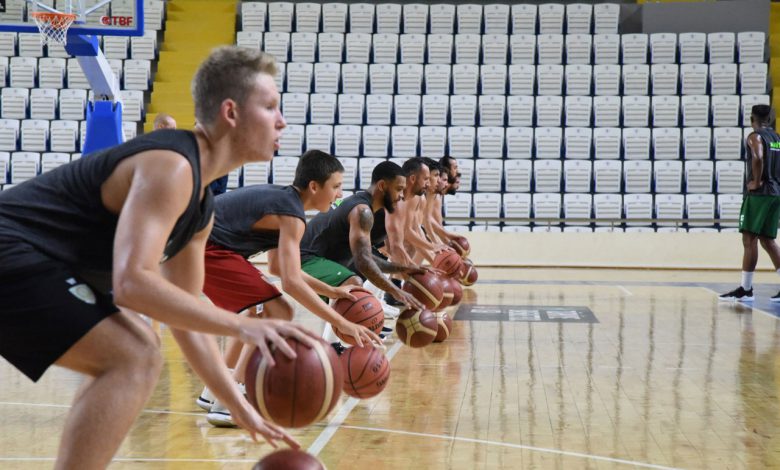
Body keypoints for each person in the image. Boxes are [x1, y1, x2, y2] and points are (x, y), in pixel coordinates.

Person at [0, 47, 315, 468]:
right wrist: (242, 325)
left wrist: (233, 403)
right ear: (231, 112)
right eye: (271, 106)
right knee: (134, 354)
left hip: (29, 261)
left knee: (135, 350)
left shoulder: (200, 205)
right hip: (11, 249)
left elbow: (183, 317)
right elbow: (133, 284)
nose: (282, 121)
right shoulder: (171, 166)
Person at [199, 150, 381, 426]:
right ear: (314, 186)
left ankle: (215, 389)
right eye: (336, 187)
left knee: (260, 310)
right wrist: (341, 320)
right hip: (204, 247)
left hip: (201, 243)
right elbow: (291, 282)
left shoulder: (285, 204)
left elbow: (279, 268)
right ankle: (232, 398)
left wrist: (332, 292)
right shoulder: (292, 215)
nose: (339, 194)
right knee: (279, 308)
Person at [299, 161, 426, 330]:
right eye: (399, 189)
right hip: (306, 258)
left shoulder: (366, 207)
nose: (402, 195)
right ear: (382, 185)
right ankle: (339, 343)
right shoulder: (362, 211)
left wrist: (401, 269)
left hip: (323, 258)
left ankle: (342, 340)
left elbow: (366, 257)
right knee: (353, 283)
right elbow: (364, 262)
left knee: (358, 280)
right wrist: (397, 291)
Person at [720, 104, 780, 302]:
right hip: (775, 192)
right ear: (770, 118)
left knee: (749, 239)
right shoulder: (777, 138)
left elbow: (758, 156)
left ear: (751, 119)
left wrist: (755, 181)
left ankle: (746, 289)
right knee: (767, 240)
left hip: (760, 194)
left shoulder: (755, 136)